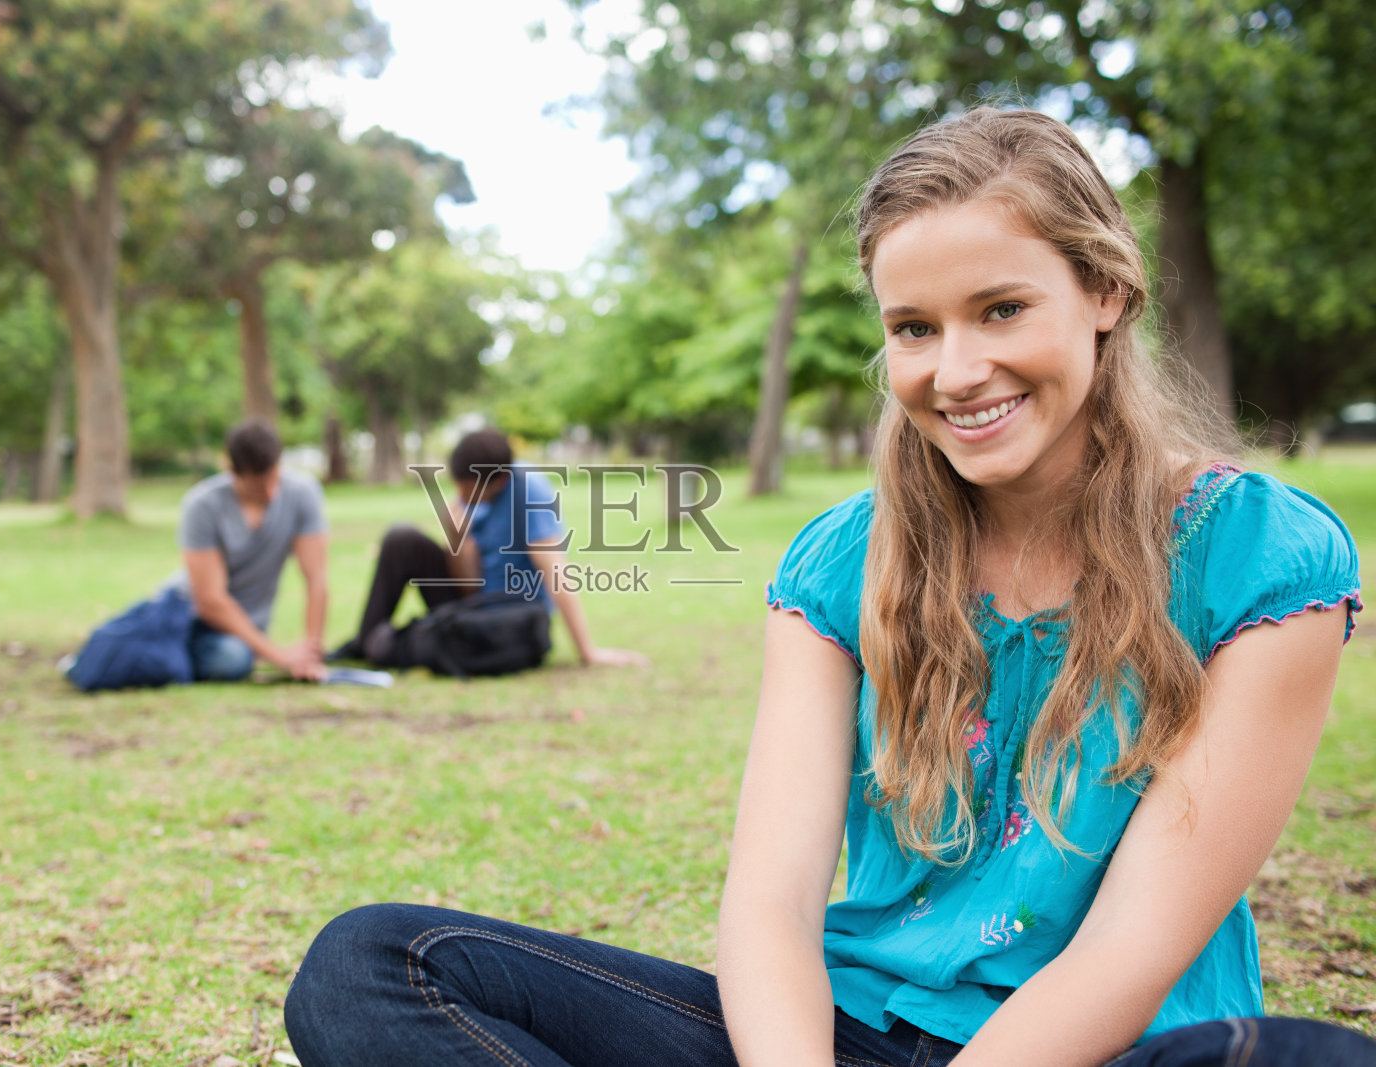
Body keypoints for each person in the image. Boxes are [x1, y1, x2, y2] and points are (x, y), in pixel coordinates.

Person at [278, 109, 1376, 1067]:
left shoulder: (1261, 558)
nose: (953, 371)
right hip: (836, 1039)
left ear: (1103, 289)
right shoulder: (838, 565)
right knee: (370, 967)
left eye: (1000, 309)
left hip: (1106, 1045)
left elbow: (1131, 947)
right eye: (913, 328)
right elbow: (770, 899)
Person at [332, 428, 645, 669]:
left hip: (509, 618)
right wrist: (457, 542)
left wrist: (588, 652)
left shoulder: (528, 488)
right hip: (473, 603)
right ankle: (364, 642)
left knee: (392, 647)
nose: (461, 496)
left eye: (468, 490)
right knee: (401, 538)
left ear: (499, 480)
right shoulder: (470, 497)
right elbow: (469, 586)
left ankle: (387, 646)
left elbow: (556, 573)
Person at [172, 417, 329, 682]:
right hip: (194, 622)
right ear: (231, 470)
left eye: (273, 479)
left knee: (238, 655)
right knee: (232, 659)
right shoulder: (201, 505)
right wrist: (279, 656)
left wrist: (310, 653)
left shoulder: (304, 493)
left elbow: (316, 579)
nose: (269, 493)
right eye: (257, 484)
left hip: (248, 633)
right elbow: (210, 601)